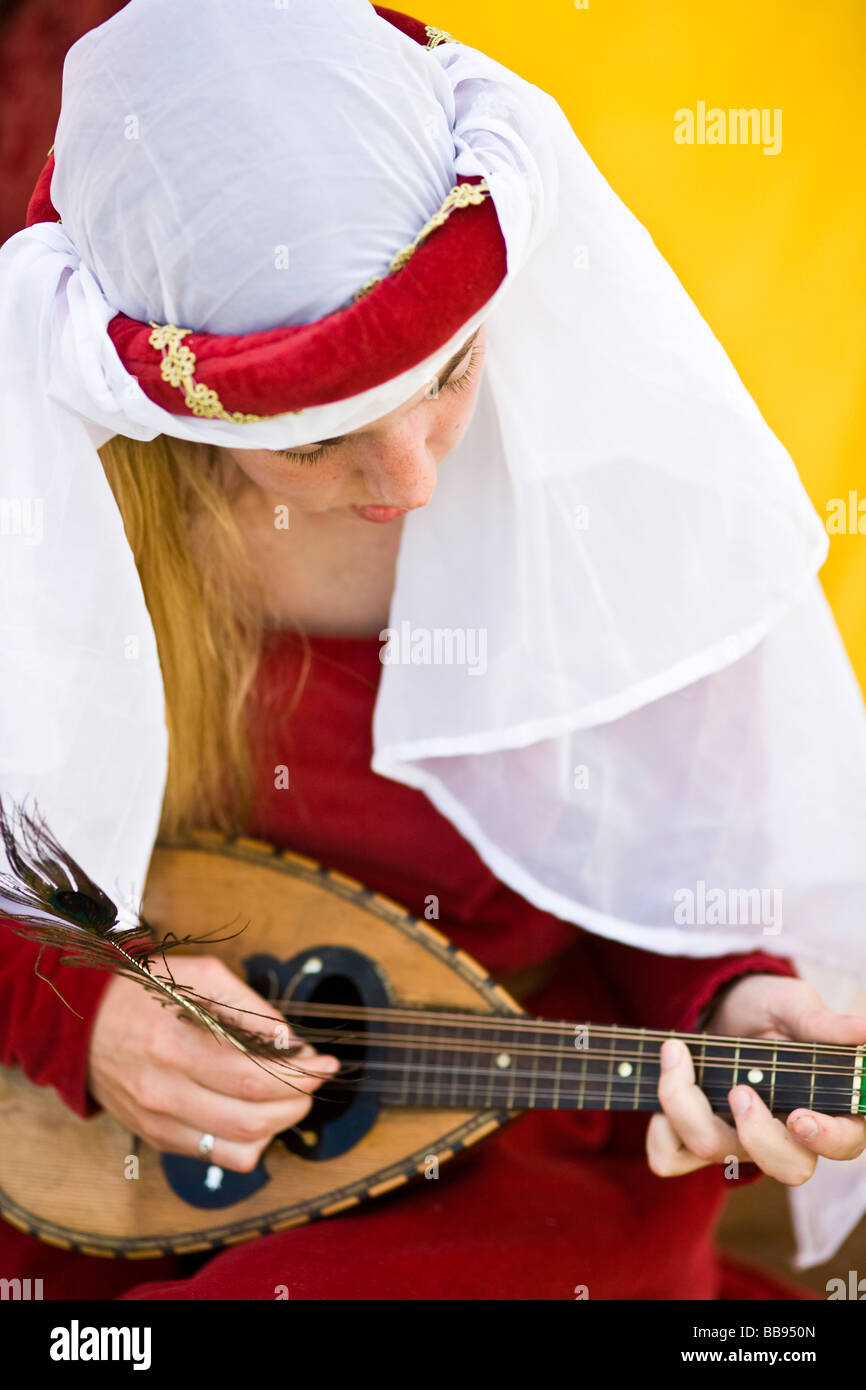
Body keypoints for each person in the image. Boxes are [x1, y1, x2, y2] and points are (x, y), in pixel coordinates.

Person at [2, 0, 866, 1300]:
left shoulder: (608, 508)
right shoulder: (55, 510)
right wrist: (73, 1014)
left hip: (525, 1159)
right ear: (158, 421)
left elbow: (663, 874)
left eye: (450, 373)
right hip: (87, 1144)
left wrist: (728, 1000)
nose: (409, 476)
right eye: (314, 442)